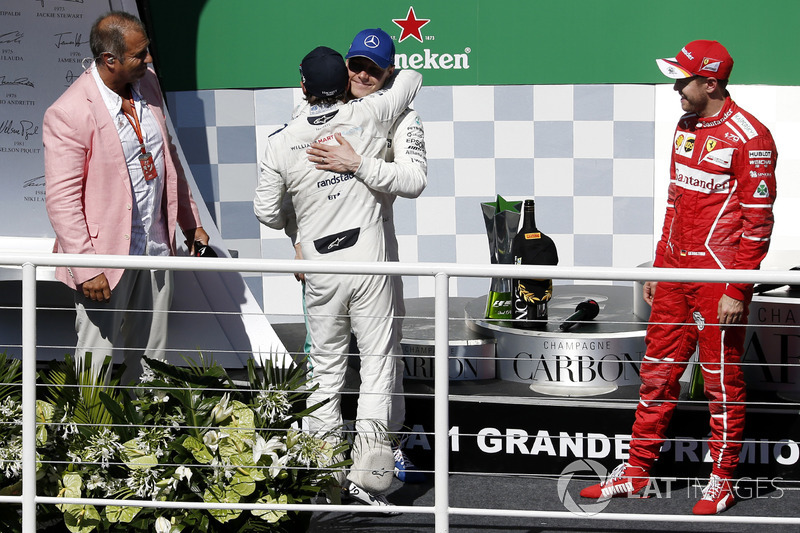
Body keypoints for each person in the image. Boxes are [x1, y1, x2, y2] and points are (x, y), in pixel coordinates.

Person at [581, 40, 777, 515]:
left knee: (720, 381)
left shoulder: (752, 136)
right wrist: (660, 264)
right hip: (675, 274)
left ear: (710, 82)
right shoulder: (685, 125)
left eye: (682, 80)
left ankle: (722, 480)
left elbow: (758, 221)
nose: (675, 89)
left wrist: (737, 287)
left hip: (717, 281)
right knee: (656, 376)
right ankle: (636, 471)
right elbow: (674, 202)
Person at [253, 46, 422, 508]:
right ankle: (370, 477)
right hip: (368, 262)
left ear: (304, 86)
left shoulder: (281, 140)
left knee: (325, 372)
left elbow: (266, 212)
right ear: (346, 80)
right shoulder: (368, 116)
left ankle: (324, 474)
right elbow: (412, 80)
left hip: (320, 269)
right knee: (377, 366)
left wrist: (301, 219)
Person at [44, 11, 209, 385]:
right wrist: (87, 268)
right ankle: (90, 439)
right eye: (139, 55)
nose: (148, 61)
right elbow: (62, 201)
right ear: (109, 60)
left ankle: (146, 435)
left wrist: (190, 220)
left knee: (152, 359)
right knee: (95, 361)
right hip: (104, 260)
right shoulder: (68, 112)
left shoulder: (146, 83)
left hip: (154, 248)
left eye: (147, 51)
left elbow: (168, 158)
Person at [303, 28, 428, 484]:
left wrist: (359, 164)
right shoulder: (312, 110)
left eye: (374, 69)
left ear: (387, 72)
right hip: (320, 258)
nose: (362, 74)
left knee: (383, 357)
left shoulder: (403, 116)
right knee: (326, 361)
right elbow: (294, 192)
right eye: (356, 64)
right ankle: (323, 463)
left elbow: (414, 181)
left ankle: (383, 454)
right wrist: (298, 245)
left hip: (377, 251)